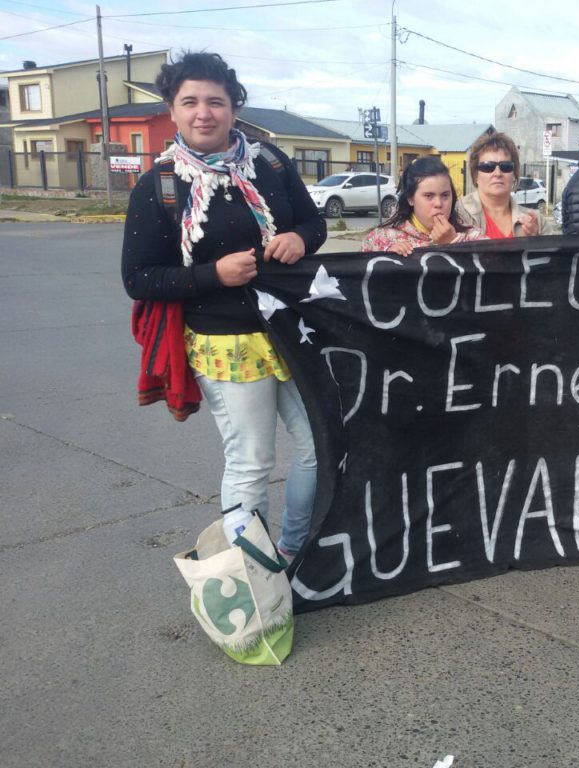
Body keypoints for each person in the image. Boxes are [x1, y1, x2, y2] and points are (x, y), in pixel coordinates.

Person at [121, 52, 325, 562]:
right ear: (173, 109)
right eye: (190, 101)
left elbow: (313, 223)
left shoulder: (270, 162)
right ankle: (250, 573)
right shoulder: (159, 185)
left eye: (216, 101)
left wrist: (300, 238)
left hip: (289, 329)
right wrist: (214, 274)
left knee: (319, 446)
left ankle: (292, 553)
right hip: (224, 342)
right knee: (251, 462)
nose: (203, 112)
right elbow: (139, 278)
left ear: (234, 108)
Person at [362, 156, 483, 256]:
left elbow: (490, 264)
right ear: (410, 199)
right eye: (429, 196)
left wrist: (453, 242)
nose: (438, 204)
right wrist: (387, 257)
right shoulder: (383, 238)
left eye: (445, 195)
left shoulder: (471, 236)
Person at [455, 130, 555, 239]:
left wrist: (535, 241)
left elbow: (554, 249)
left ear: (514, 174)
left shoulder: (537, 222)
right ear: (475, 175)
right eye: (488, 167)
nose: (497, 173)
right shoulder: (458, 214)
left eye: (506, 166)